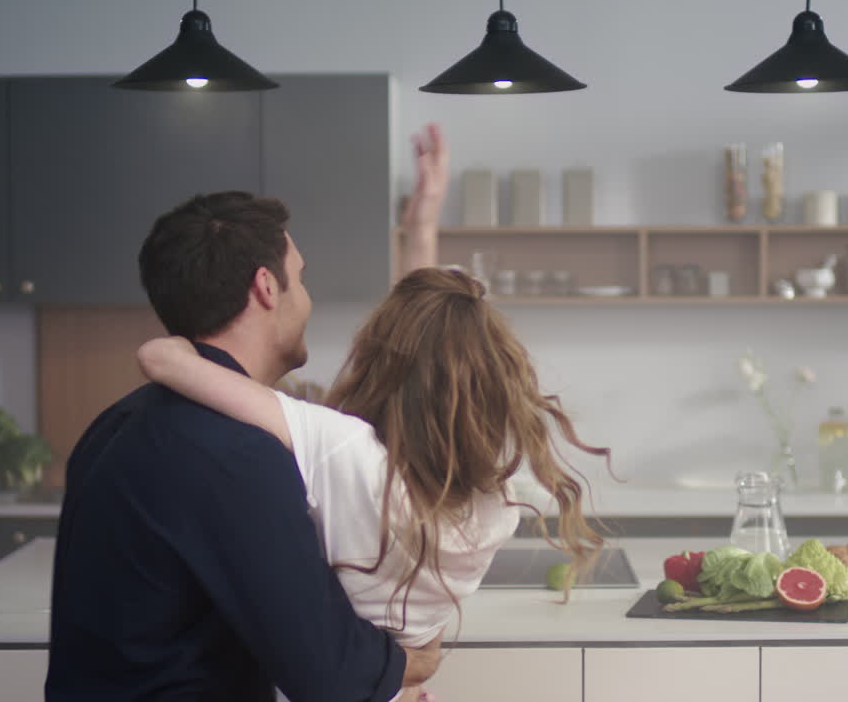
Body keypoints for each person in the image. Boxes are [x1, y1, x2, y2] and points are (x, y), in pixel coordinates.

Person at [136, 128, 612, 701]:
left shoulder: (342, 450)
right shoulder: (493, 507)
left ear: (380, 357)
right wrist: (422, 227)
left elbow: (168, 362)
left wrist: (168, 348)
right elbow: (430, 349)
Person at [45, 129, 454, 702]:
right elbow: (327, 671)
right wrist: (417, 660)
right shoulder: (236, 452)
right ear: (266, 287)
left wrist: (421, 232)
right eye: (302, 278)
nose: (306, 299)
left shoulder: (114, 424)